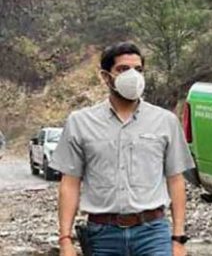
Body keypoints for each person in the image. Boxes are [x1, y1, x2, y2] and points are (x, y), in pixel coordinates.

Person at [51, 42, 195, 256]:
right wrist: (65, 240)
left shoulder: (165, 121)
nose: (133, 76)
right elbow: (70, 184)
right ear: (106, 76)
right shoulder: (80, 122)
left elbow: (175, 181)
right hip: (102, 235)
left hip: (152, 233)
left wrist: (178, 238)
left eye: (138, 70)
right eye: (123, 69)